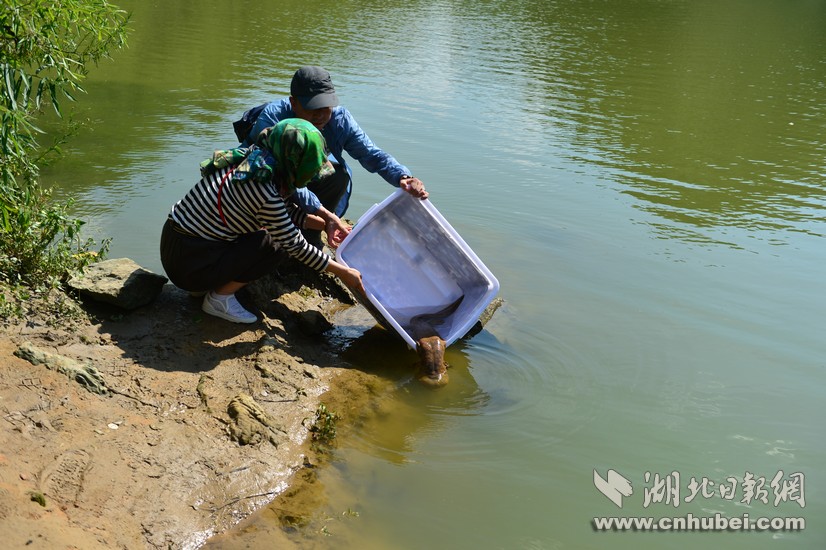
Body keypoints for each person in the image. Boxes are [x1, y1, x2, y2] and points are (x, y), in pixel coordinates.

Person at [160, 118, 365, 324]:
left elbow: (285, 212)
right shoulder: (263, 190)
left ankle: (204, 283)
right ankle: (219, 299)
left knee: (274, 234)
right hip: (189, 261)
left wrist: (326, 224)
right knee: (275, 244)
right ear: (294, 162)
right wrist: (344, 272)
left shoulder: (259, 162)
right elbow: (295, 245)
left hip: (180, 246)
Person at [237, 66, 429, 248]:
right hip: (267, 179)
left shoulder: (340, 120)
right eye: (313, 108)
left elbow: (371, 154)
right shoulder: (273, 119)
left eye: (326, 107)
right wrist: (324, 214)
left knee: (339, 175)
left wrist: (403, 177)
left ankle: (310, 235)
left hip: (302, 177)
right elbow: (282, 178)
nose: (321, 116)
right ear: (293, 103)